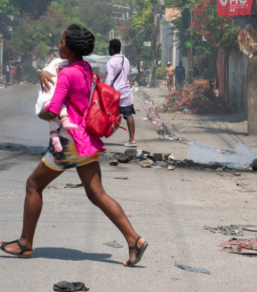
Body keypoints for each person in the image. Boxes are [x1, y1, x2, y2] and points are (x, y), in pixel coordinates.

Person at [0, 24, 148, 267]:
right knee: (97, 194)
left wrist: (40, 113)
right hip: (86, 139)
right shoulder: (85, 69)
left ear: (69, 47)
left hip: (69, 143)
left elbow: (53, 110)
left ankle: (25, 243)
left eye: (61, 42)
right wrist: (42, 73)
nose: (58, 46)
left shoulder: (68, 74)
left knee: (33, 185)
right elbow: (55, 68)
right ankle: (135, 240)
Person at [35, 58, 78, 152]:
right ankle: (54, 149)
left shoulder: (76, 68)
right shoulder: (57, 72)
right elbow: (48, 70)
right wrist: (44, 72)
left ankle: (54, 149)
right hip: (60, 113)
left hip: (70, 118)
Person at [106, 39, 137, 147]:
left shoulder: (111, 62)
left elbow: (109, 78)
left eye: (109, 47)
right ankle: (132, 139)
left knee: (105, 113)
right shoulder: (126, 60)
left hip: (115, 93)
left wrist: (104, 89)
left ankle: (98, 135)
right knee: (128, 115)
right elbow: (127, 74)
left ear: (112, 49)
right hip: (126, 91)